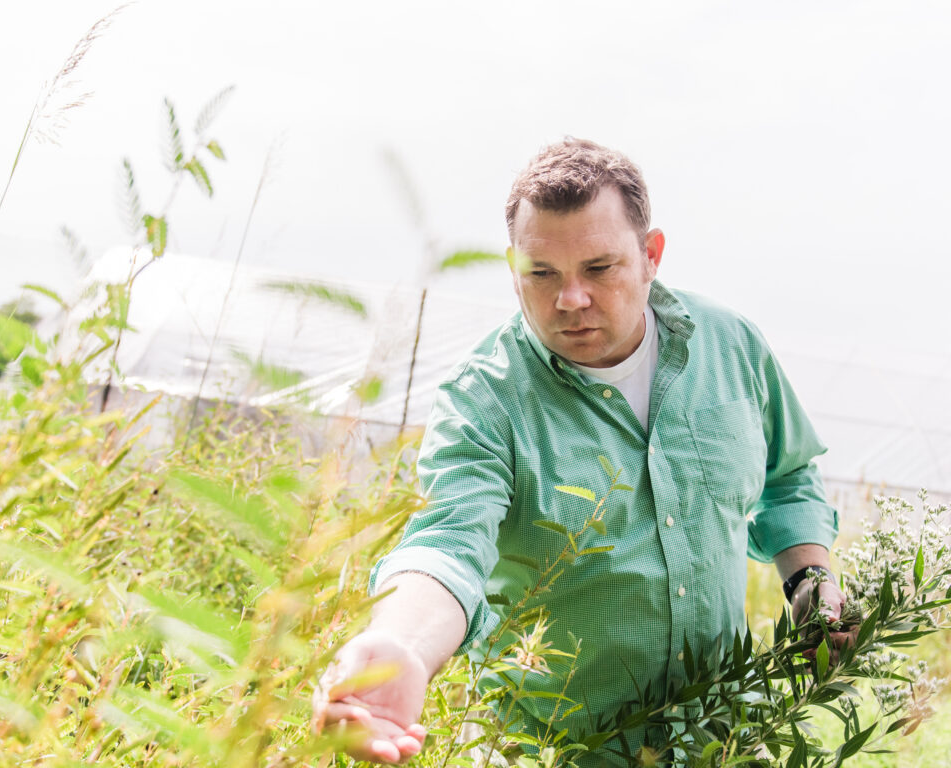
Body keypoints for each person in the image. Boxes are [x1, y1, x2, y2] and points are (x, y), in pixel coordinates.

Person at [311, 138, 857, 765]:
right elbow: (446, 543)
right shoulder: (485, 400)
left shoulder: (729, 347)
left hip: (724, 736)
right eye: (541, 274)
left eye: (599, 269)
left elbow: (787, 476)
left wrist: (809, 581)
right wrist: (401, 644)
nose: (570, 299)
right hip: (557, 749)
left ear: (650, 255)